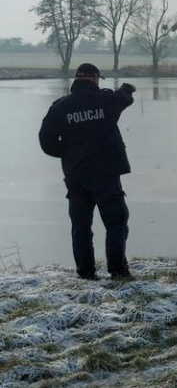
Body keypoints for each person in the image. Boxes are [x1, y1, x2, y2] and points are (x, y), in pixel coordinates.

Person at [38, 63, 137, 281]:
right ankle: (118, 271)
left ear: (76, 79)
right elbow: (124, 98)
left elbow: (46, 142)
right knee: (116, 221)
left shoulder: (59, 107)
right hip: (106, 173)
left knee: (81, 226)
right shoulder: (106, 101)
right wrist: (128, 88)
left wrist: (68, 153)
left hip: (76, 175)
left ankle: (86, 272)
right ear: (94, 78)